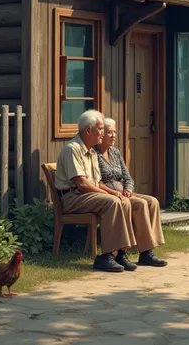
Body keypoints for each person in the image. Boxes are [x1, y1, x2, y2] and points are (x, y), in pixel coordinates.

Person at [54, 110, 165, 272]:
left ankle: (121, 253)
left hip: (86, 195)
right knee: (113, 202)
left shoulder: (90, 151)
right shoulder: (73, 149)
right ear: (88, 130)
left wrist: (116, 193)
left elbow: (97, 182)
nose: (103, 133)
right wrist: (110, 194)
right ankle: (106, 256)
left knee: (124, 201)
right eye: (101, 129)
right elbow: (82, 184)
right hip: (73, 198)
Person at [95, 118, 166, 270]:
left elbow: (127, 176)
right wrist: (115, 193)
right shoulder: (94, 154)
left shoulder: (115, 152)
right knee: (140, 204)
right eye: (109, 132)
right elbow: (97, 182)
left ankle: (147, 252)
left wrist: (128, 188)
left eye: (115, 131)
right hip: (110, 194)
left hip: (124, 192)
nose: (113, 135)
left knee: (152, 201)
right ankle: (132, 252)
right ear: (101, 134)